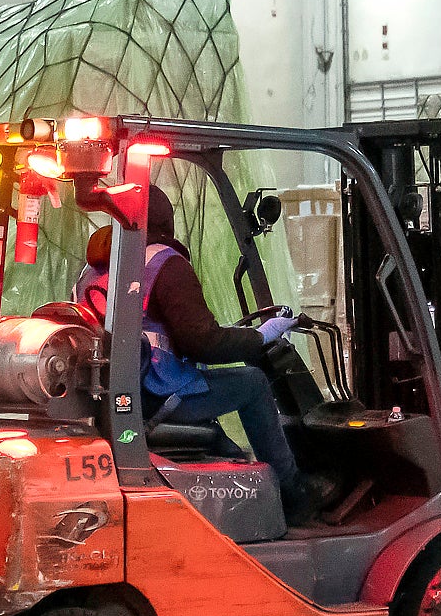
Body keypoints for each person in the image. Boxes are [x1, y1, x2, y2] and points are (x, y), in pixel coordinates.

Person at [78, 188, 318, 524]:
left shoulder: (96, 270)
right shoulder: (163, 263)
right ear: (166, 221)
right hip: (153, 393)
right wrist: (260, 336)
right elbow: (202, 342)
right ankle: (295, 496)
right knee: (252, 383)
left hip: (115, 394)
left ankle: (237, 465)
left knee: (206, 390)